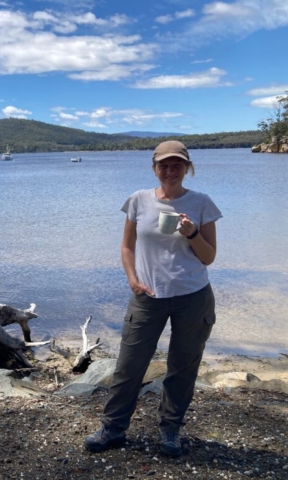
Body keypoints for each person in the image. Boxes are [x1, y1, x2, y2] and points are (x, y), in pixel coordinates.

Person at [85, 140, 222, 457]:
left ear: (187, 168)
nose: (170, 171)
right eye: (164, 165)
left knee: (182, 367)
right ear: (154, 168)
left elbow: (209, 257)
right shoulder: (138, 200)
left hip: (193, 296)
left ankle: (170, 430)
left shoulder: (203, 203)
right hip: (148, 297)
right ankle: (113, 428)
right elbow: (127, 246)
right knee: (129, 366)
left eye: (177, 165)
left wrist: (191, 234)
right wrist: (132, 279)